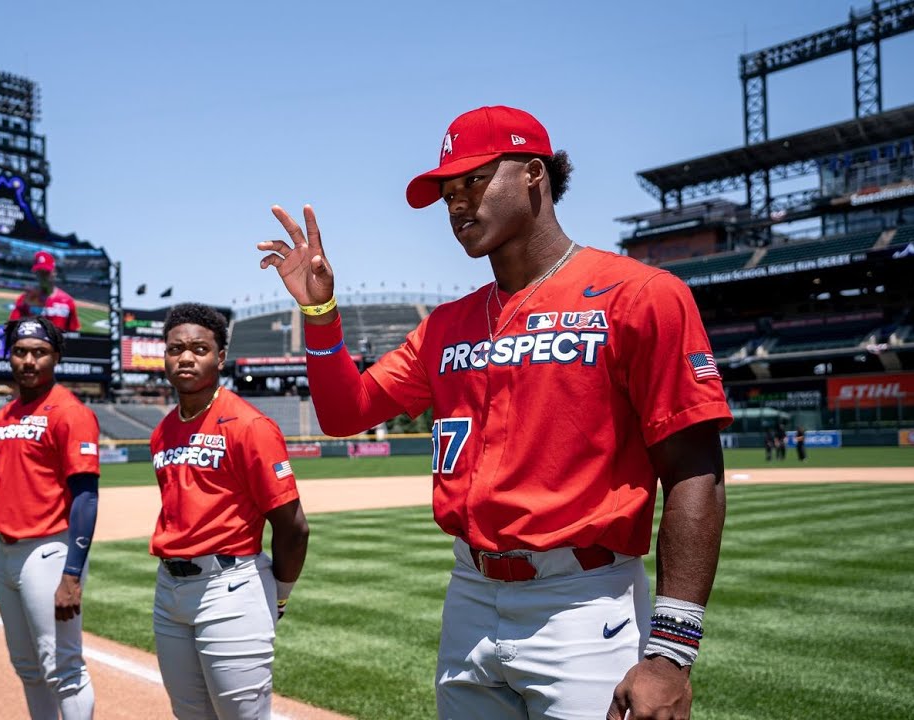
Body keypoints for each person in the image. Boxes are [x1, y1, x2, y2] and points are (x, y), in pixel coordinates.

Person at [259, 105, 731, 720]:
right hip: (470, 598)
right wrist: (320, 315)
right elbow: (346, 412)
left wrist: (670, 651)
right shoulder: (446, 326)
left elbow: (695, 472)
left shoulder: (640, 296)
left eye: (475, 180)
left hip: (584, 604)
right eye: (448, 191)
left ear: (534, 174)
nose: (457, 203)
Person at [149, 303, 310, 719]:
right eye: (175, 348)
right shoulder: (163, 430)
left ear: (220, 357)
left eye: (199, 349)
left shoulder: (249, 425)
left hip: (230, 588)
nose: (185, 357)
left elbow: (293, 526)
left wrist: (281, 594)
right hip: (169, 590)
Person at [0, 317, 100, 719]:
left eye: (39, 352)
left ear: (56, 357)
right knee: (28, 668)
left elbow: (85, 498)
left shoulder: (71, 412)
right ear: (9, 356)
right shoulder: (4, 417)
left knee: (63, 668)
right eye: (20, 352)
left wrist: (72, 575)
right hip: (8, 553)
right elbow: (2, 491)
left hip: (49, 551)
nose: (29, 361)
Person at [10, 250, 82, 333]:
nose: (43, 276)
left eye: (46, 272)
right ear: (36, 274)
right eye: (40, 272)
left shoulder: (67, 301)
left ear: (54, 272)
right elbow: (12, 329)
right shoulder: (24, 299)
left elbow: (74, 332)